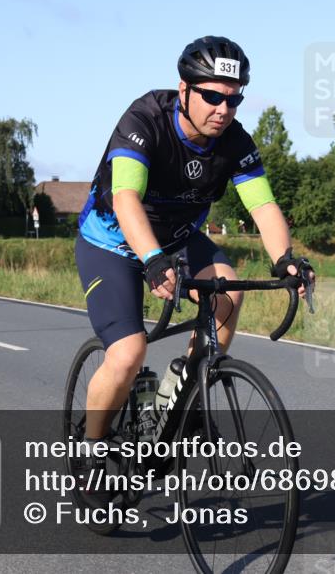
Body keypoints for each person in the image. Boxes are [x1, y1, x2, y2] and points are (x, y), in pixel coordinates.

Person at [73, 36, 316, 496]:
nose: (223, 109)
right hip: (112, 241)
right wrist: (150, 259)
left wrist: (283, 259)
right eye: (212, 96)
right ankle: (91, 450)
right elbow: (125, 198)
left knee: (228, 288)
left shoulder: (234, 141)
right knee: (127, 354)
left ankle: (189, 386)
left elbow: (263, 205)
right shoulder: (145, 120)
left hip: (179, 239)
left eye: (234, 98)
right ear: (183, 89)